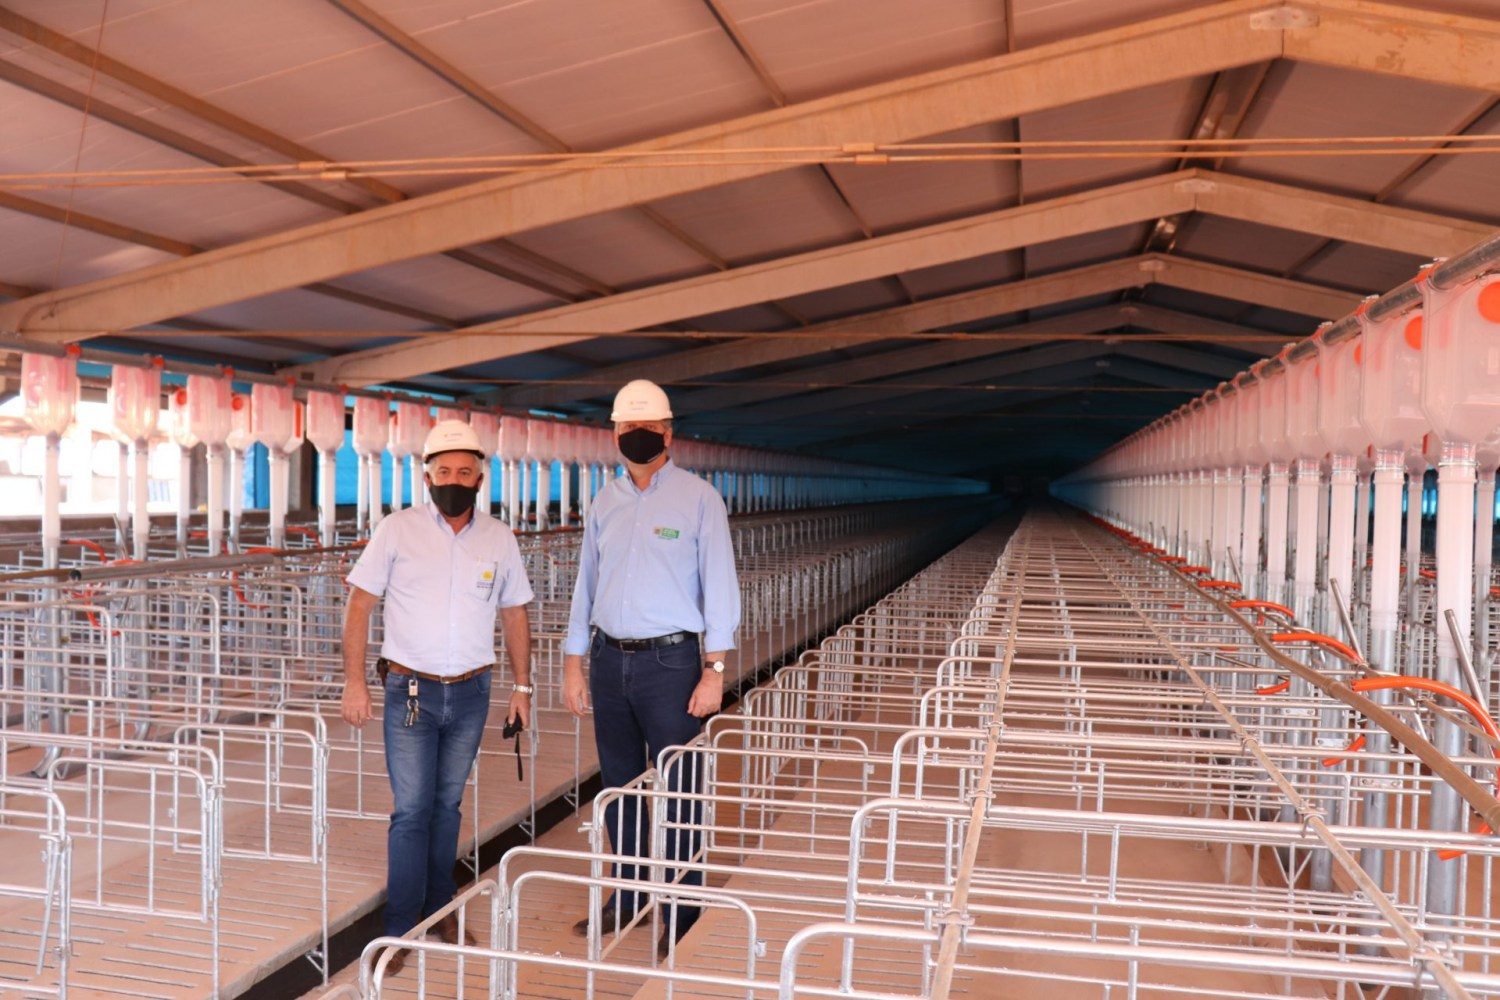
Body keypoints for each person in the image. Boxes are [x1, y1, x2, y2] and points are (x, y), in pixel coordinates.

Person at [341, 418, 534, 974]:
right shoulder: (397, 530)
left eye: (464, 472)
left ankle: (438, 907)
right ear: (426, 475)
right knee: (411, 810)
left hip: (472, 691)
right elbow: (359, 605)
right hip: (412, 692)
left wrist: (522, 689)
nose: (454, 478)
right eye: (444, 470)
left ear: (480, 478)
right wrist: (355, 682)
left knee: (446, 805)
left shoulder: (498, 537)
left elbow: (515, 611)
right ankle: (400, 931)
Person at [561, 379, 741, 957]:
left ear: (668, 434)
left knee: (680, 784)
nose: (636, 438)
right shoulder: (604, 501)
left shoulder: (699, 499)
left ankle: (682, 909)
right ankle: (632, 897)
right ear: (614, 434)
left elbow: (720, 586)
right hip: (611, 657)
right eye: (626, 429)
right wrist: (573, 663)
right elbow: (584, 584)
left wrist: (714, 669)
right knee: (620, 783)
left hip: (672, 661)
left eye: (647, 430)